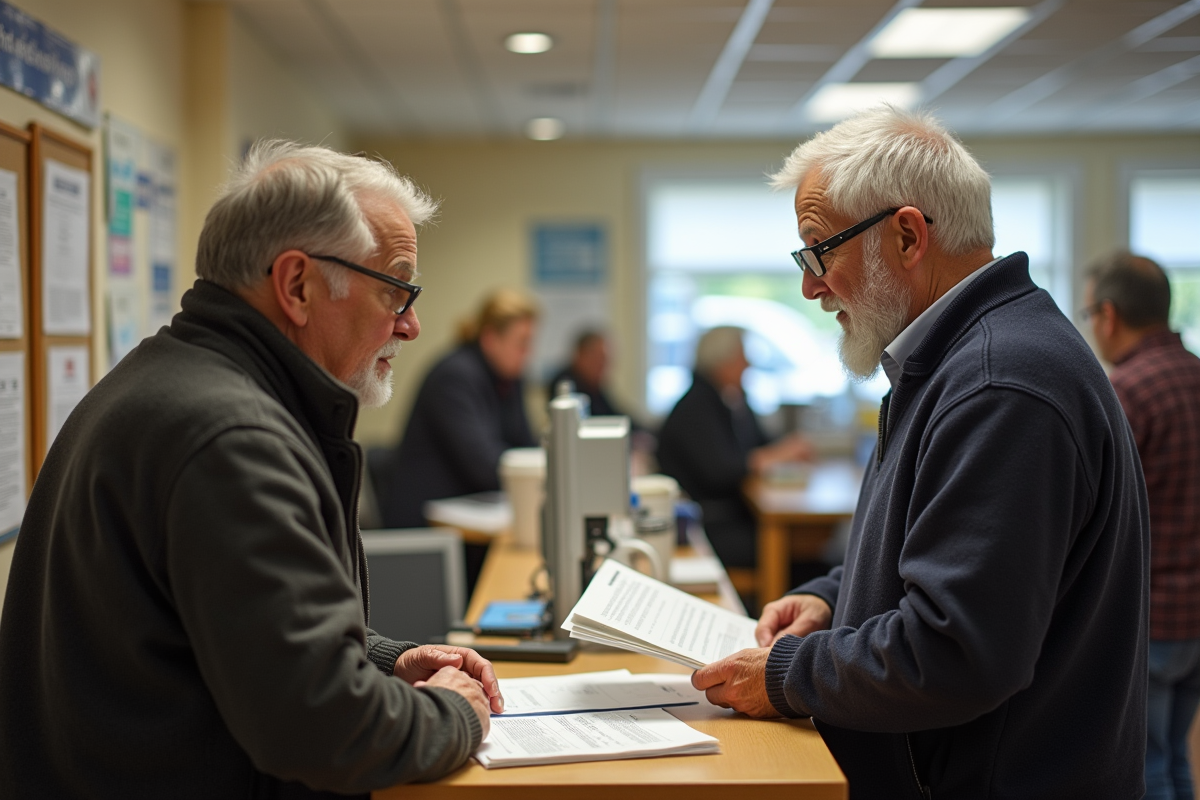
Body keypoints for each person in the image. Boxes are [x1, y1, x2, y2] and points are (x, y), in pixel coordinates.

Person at [0, 141, 504, 799]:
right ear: (297, 284)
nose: (410, 326)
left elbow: (232, 633)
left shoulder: (167, 379)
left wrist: (383, 661)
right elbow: (327, 733)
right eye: (395, 290)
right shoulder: (232, 438)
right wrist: (456, 713)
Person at [691, 107, 1149, 799]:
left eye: (821, 250)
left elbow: (955, 651)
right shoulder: (956, 361)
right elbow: (939, 558)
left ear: (906, 235)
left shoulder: (1000, 383)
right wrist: (828, 601)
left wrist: (788, 675)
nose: (812, 285)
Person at [1086, 251, 1200, 800]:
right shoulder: (1195, 375)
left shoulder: (1125, 391)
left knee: (1144, 766)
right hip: (1197, 612)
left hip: (1151, 612)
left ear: (1108, 315)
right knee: (1177, 756)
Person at [656, 326, 812, 571]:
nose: (748, 364)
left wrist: (782, 450)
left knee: (807, 548)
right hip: (706, 525)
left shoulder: (730, 398)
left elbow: (762, 442)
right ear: (722, 362)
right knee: (793, 552)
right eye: (742, 357)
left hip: (733, 515)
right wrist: (773, 456)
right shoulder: (695, 408)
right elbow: (721, 472)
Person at [381, 289, 539, 530]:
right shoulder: (455, 377)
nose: (528, 353)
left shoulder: (509, 379)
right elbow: (484, 466)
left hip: (471, 516)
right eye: (522, 343)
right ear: (490, 338)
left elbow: (527, 446)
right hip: (427, 528)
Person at [547, 329, 623, 416]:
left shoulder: (594, 385)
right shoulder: (564, 383)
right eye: (599, 359)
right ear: (581, 355)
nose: (604, 366)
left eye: (605, 360)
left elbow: (613, 413)